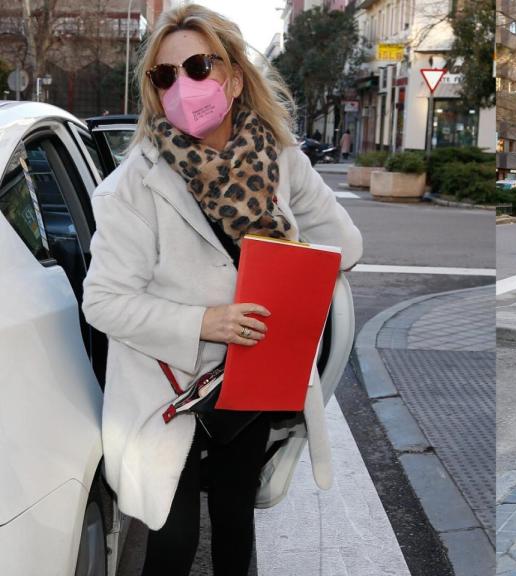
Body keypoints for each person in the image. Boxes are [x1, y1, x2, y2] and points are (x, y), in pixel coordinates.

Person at [81, 5, 363, 575]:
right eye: (165, 77)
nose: (183, 86)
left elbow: (344, 246)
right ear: (154, 92)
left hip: (250, 375)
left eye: (198, 67)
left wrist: (287, 266)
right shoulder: (134, 185)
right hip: (167, 388)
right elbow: (103, 300)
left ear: (233, 78)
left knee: (236, 522)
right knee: (172, 538)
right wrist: (203, 321)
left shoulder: (281, 161)